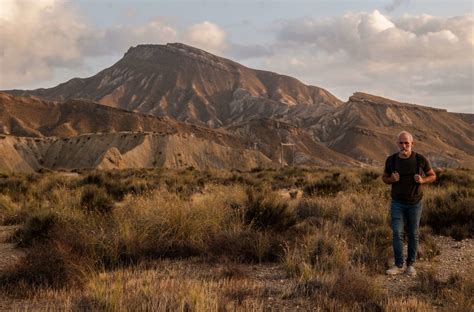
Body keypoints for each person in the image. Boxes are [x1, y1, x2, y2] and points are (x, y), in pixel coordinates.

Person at [382, 131, 436, 276]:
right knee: (397, 233)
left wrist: (423, 180)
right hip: (397, 203)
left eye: (407, 143)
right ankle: (399, 265)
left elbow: (432, 175)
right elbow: (384, 178)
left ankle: (410, 265)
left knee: (413, 234)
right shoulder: (391, 160)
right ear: (397, 143)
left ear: (412, 144)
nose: (404, 145)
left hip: (415, 203)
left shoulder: (420, 159)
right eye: (401, 142)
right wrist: (392, 179)